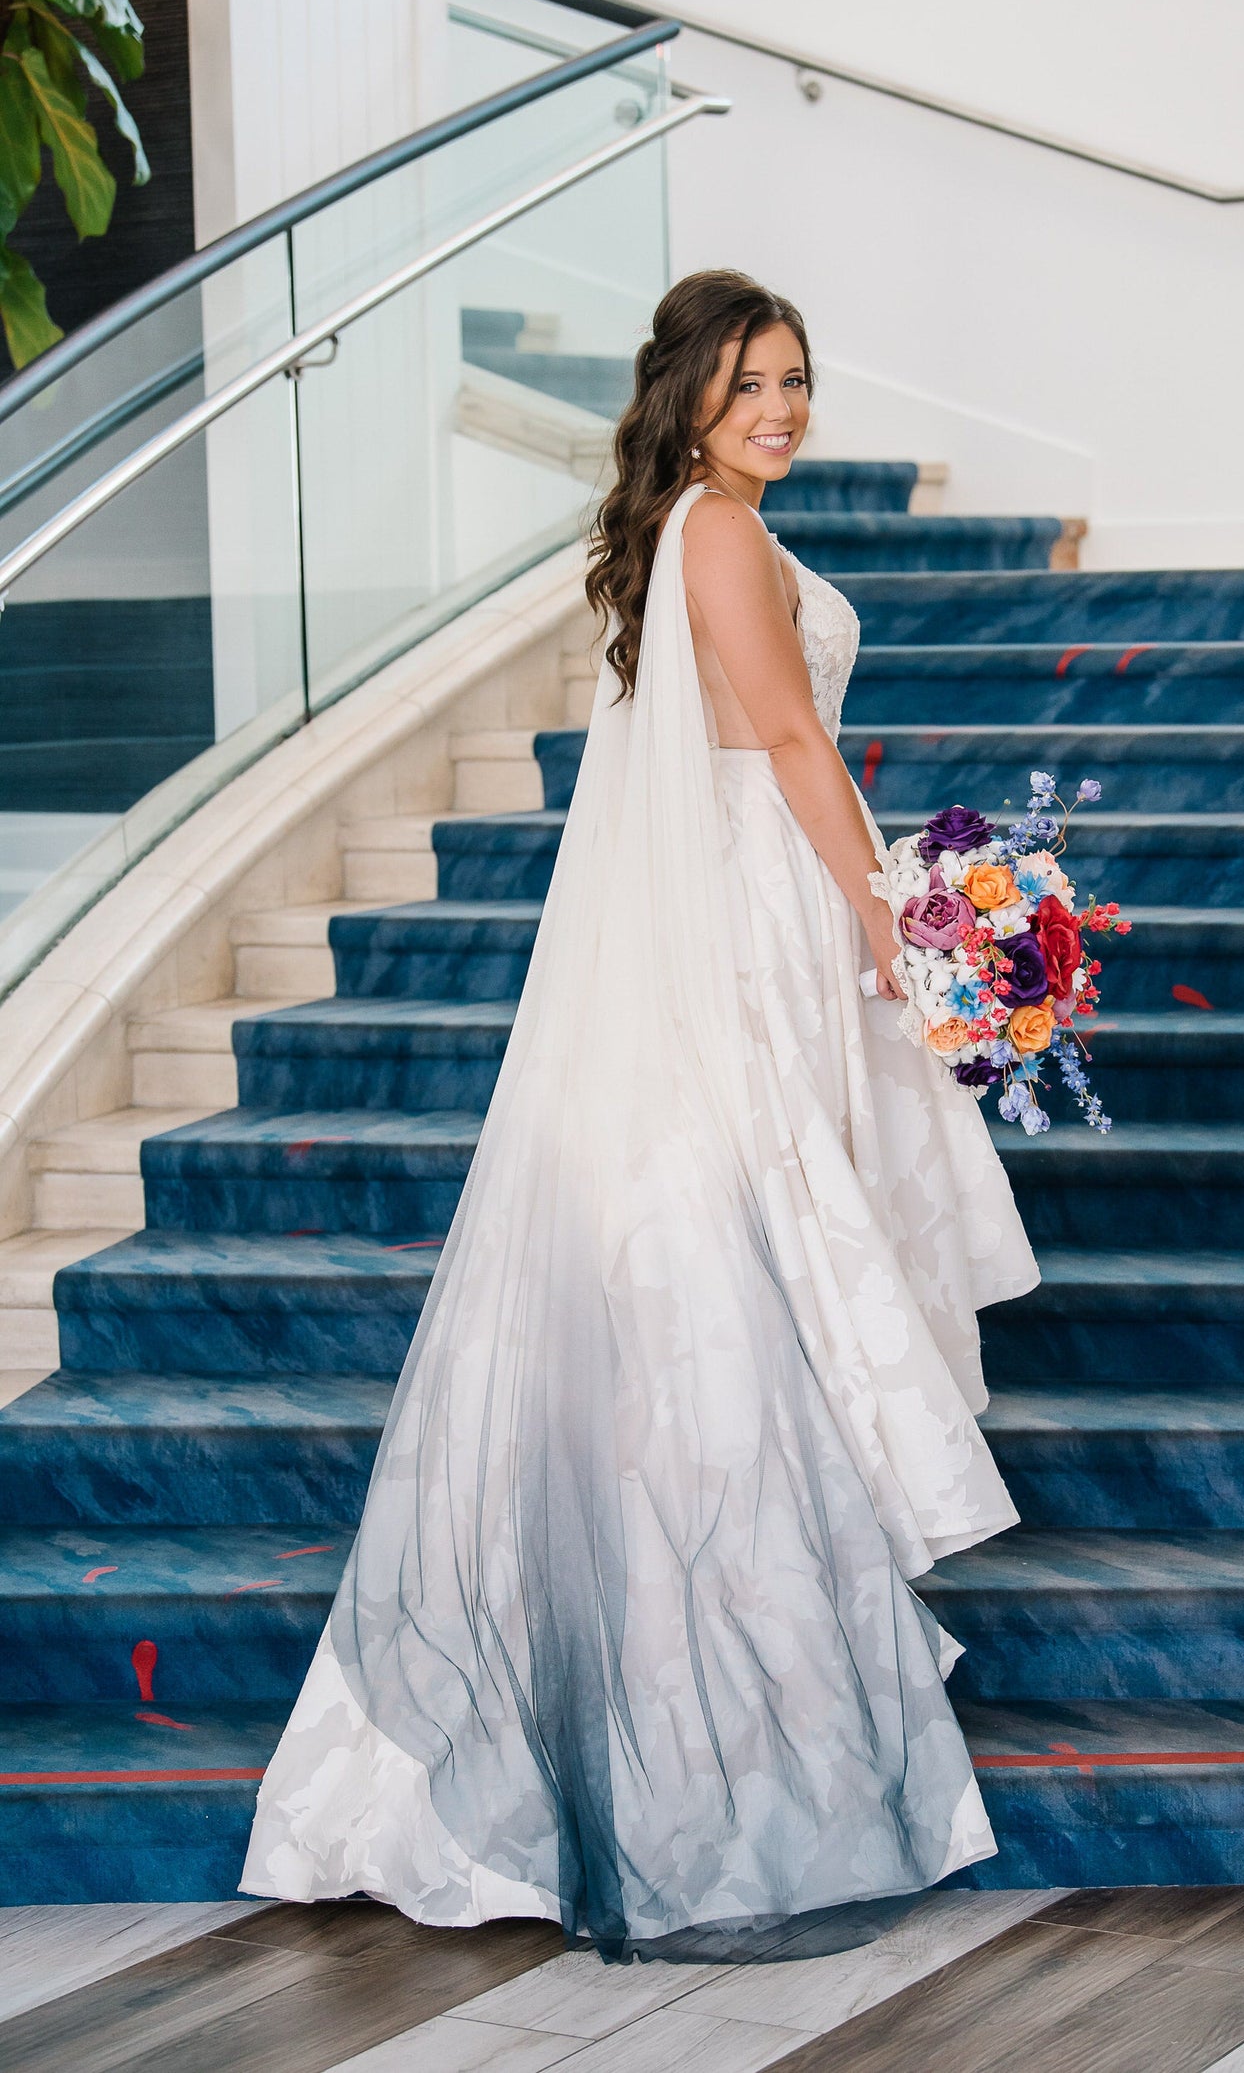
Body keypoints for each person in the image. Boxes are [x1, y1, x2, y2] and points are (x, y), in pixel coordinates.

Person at [241, 268, 1038, 1961]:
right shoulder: (720, 536)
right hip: (743, 930)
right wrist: (898, 919)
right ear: (686, 392)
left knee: (721, 1329)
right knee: (736, 1320)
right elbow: (789, 742)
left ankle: (690, 1714)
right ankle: (717, 1741)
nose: (782, 406)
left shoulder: (689, 530)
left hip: (740, 914)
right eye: (750, 379)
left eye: (799, 378)